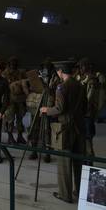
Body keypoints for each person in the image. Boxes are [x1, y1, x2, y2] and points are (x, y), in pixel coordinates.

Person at [40, 61, 87, 204]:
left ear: (60, 72)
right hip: (80, 128)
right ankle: (79, 191)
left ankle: (65, 194)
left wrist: (46, 110)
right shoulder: (81, 86)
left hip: (65, 129)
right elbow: (85, 107)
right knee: (79, 161)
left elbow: (59, 108)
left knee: (64, 162)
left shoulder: (61, 87)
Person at [77, 58, 99, 164]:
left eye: (82, 66)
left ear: (87, 67)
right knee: (83, 140)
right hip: (82, 114)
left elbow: (89, 99)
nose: (80, 69)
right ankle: (86, 162)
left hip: (88, 114)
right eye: (80, 66)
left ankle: (89, 164)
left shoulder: (92, 80)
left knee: (87, 140)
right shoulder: (82, 79)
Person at [2, 56, 27, 145]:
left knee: (20, 118)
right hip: (10, 100)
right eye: (12, 63)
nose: (14, 65)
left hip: (20, 99)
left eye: (15, 63)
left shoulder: (21, 72)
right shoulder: (5, 73)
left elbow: (25, 83)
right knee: (10, 119)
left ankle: (19, 136)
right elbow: (3, 87)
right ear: (9, 64)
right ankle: (10, 137)